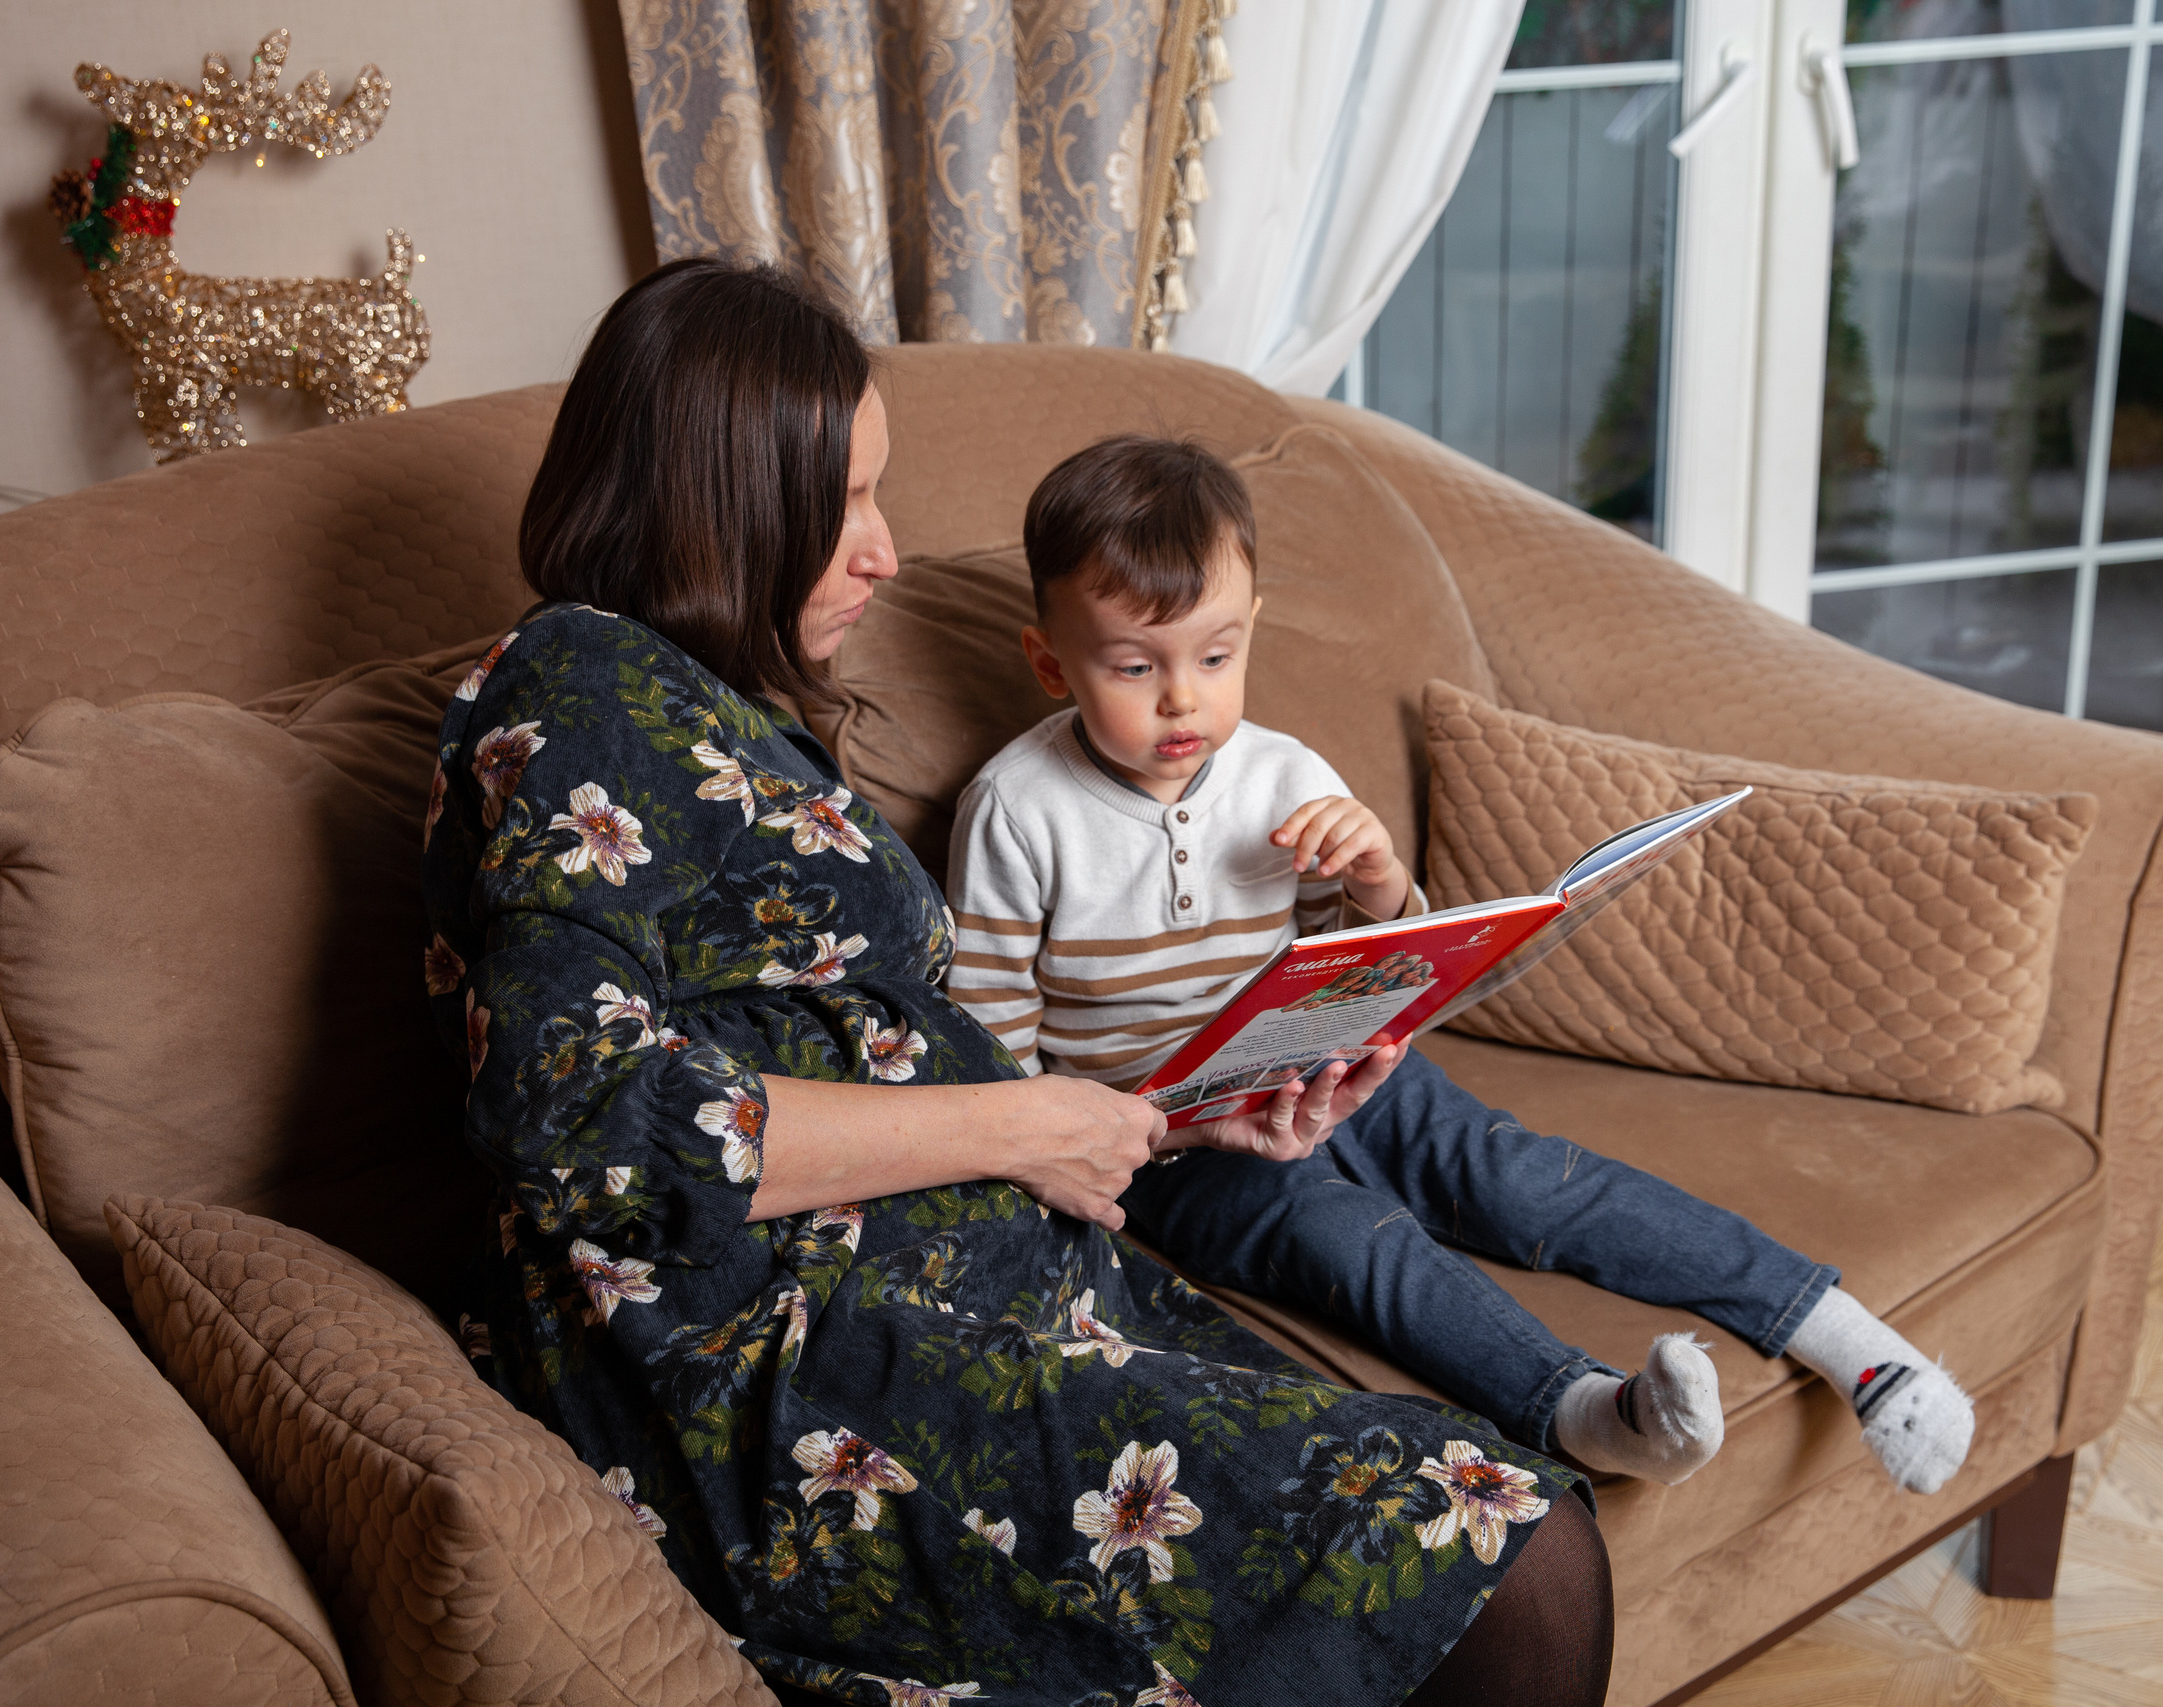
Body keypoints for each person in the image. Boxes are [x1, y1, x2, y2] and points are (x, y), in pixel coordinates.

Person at [422, 258, 1615, 1707]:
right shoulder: (584, 681)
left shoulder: (719, 709)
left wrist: (1173, 1117)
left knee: (1497, 1516)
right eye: (847, 503)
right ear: (722, 505)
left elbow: (887, 1069)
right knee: (1511, 1540)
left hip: (998, 1286)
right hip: (815, 1375)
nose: (887, 553)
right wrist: (1019, 1126)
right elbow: (575, 1108)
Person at [944, 434, 1978, 1495]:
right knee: (1352, 1242)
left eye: (1215, 658)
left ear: (1251, 630)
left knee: (1523, 1180)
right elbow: (989, 1061)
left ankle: (1853, 1343)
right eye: (1133, 667)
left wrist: (1382, 883)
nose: (1182, 702)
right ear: (1047, 661)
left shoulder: (1285, 771)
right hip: (1177, 1147)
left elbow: (1356, 956)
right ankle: (1585, 1412)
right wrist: (1135, 1134)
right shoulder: (1018, 813)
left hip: (1334, 1071)